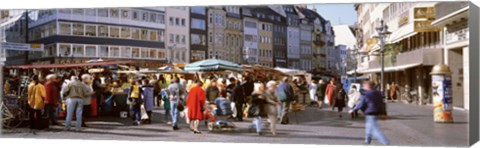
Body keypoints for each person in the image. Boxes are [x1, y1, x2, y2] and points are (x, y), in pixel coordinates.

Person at [349, 81, 389, 145]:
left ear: (368, 86)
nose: (364, 87)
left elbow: (360, 104)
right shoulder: (378, 93)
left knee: (375, 129)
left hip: (370, 112)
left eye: (364, 86)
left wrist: (353, 110)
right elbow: (382, 104)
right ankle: (367, 141)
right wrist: (384, 113)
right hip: (376, 112)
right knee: (369, 127)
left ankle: (385, 142)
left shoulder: (366, 94)